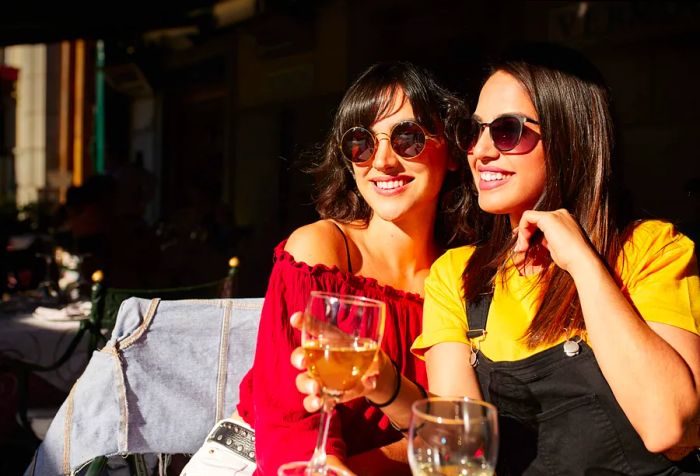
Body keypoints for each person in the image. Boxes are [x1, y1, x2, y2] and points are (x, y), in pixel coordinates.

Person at [293, 43, 700, 474]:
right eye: (473, 131)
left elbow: (669, 426)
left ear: (569, 138)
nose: (481, 151)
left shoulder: (652, 249)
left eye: (507, 131)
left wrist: (582, 261)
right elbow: (457, 454)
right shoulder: (458, 275)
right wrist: (384, 384)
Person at [183, 61, 474, 476]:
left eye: (407, 138)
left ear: (451, 150)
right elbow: (291, 419)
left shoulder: (463, 277)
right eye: (361, 143)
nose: (383, 161)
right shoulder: (322, 252)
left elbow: (461, 438)